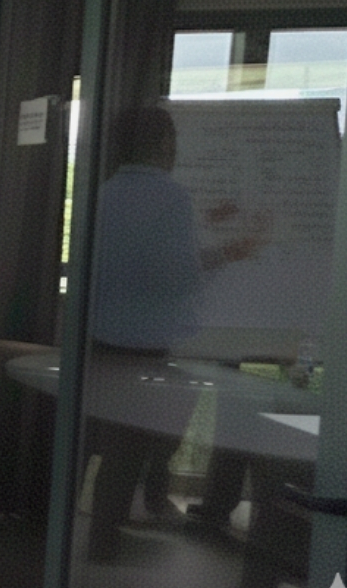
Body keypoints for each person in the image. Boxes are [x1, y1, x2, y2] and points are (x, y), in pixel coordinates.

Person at [85, 106, 264, 558]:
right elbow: (176, 277)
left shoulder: (104, 192)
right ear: (164, 142)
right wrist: (227, 254)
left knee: (113, 449)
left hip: (102, 339)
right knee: (131, 450)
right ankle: (105, 542)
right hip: (146, 346)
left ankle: (103, 536)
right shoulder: (170, 198)